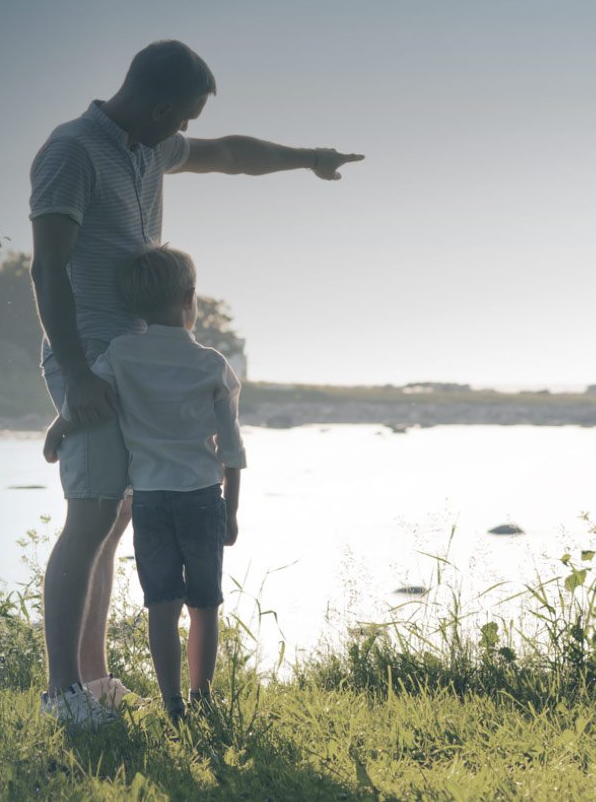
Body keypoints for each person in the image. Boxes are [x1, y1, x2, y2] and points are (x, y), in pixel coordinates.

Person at [29, 39, 361, 727]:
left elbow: (233, 154)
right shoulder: (71, 153)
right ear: (157, 105)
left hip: (139, 358)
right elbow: (48, 269)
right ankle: (62, 694)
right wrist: (81, 375)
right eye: (182, 118)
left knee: (117, 517)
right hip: (91, 355)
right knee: (91, 512)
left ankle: (94, 680)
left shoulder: (148, 149)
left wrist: (308, 159)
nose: (186, 133)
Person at [43, 245, 242, 721]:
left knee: (162, 605)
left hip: (150, 501)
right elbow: (231, 450)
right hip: (201, 499)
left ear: (133, 307)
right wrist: (230, 512)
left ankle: (171, 704)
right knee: (204, 606)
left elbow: (90, 395)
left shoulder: (121, 352)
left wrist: (58, 428)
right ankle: (202, 699)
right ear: (190, 299)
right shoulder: (213, 364)